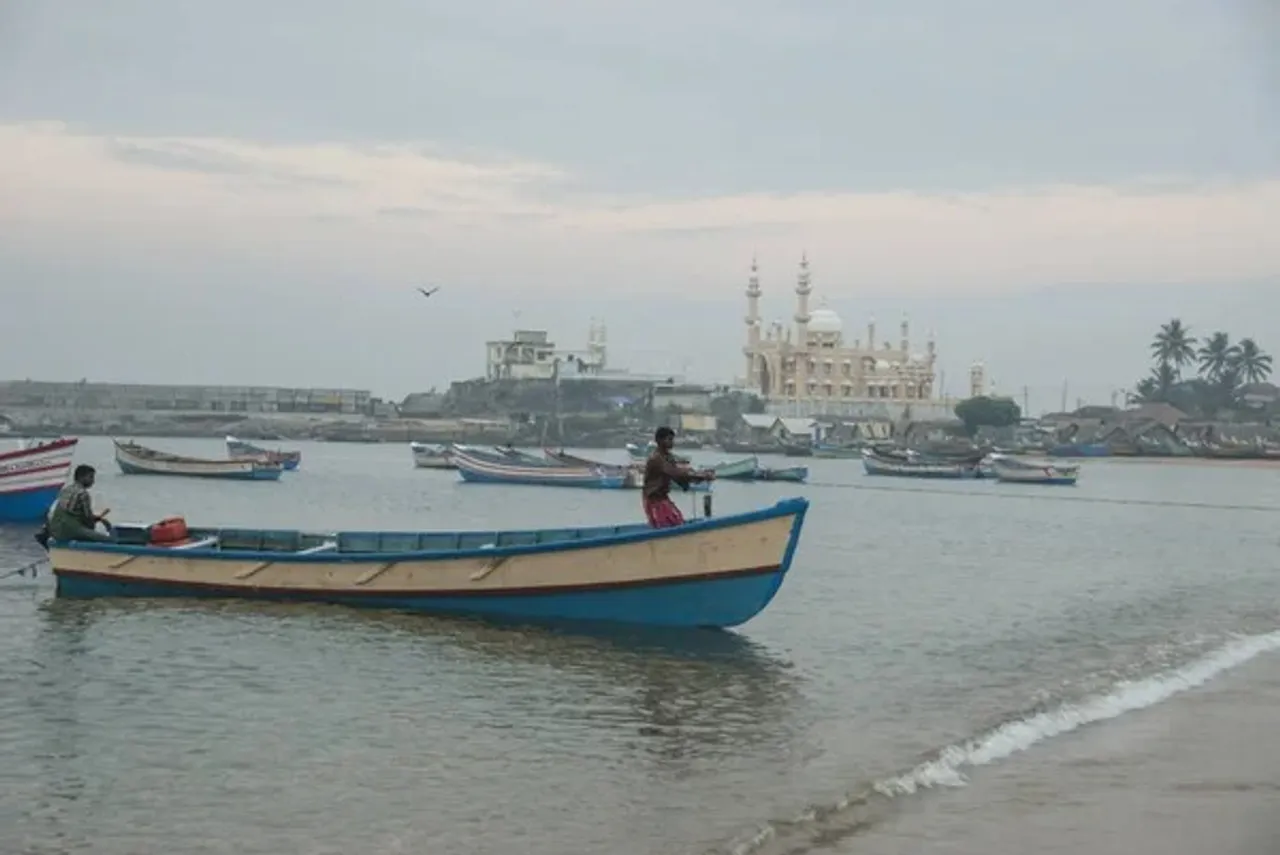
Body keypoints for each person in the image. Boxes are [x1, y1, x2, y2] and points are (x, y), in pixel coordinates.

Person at [642, 427, 715, 528]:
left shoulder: (669, 457)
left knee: (677, 520)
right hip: (653, 500)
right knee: (666, 526)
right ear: (659, 440)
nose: (672, 442)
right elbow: (675, 473)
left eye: (672, 439)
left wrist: (689, 482)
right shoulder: (656, 458)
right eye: (669, 439)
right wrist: (701, 476)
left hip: (663, 498)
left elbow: (678, 478)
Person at [45, 464, 115, 543]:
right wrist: (102, 523)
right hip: (69, 531)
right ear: (81, 477)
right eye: (91, 477)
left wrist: (95, 518)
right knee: (108, 539)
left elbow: (70, 511)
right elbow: (88, 520)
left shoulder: (65, 490)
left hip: (56, 531)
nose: (93, 481)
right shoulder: (83, 494)